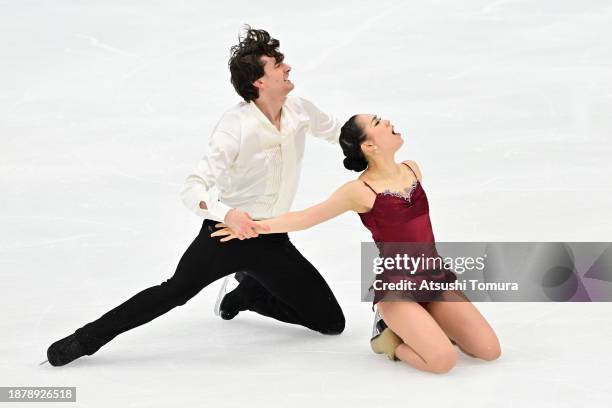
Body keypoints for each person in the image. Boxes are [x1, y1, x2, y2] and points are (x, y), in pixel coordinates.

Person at [45, 26, 345, 367]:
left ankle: (248, 294)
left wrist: (370, 148)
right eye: (278, 65)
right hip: (225, 236)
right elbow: (193, 188)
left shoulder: (300, 110)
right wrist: (227, 214)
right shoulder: (236, 126)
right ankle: (85, 339)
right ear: (259, 81)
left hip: (273, 237)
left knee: (331, 323)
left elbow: (338, 132)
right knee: (174, 291)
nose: (287, 68)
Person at [211, 114, 502, 374]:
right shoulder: (360, 191)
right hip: (397, 291)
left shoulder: (413, 170)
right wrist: (256, 227)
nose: (387, 122)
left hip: (435, 280)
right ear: (369, 147)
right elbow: (306, 218)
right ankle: (388, 337)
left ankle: (427, 325)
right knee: (442, 362)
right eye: (377, 123)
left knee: (489, 351)